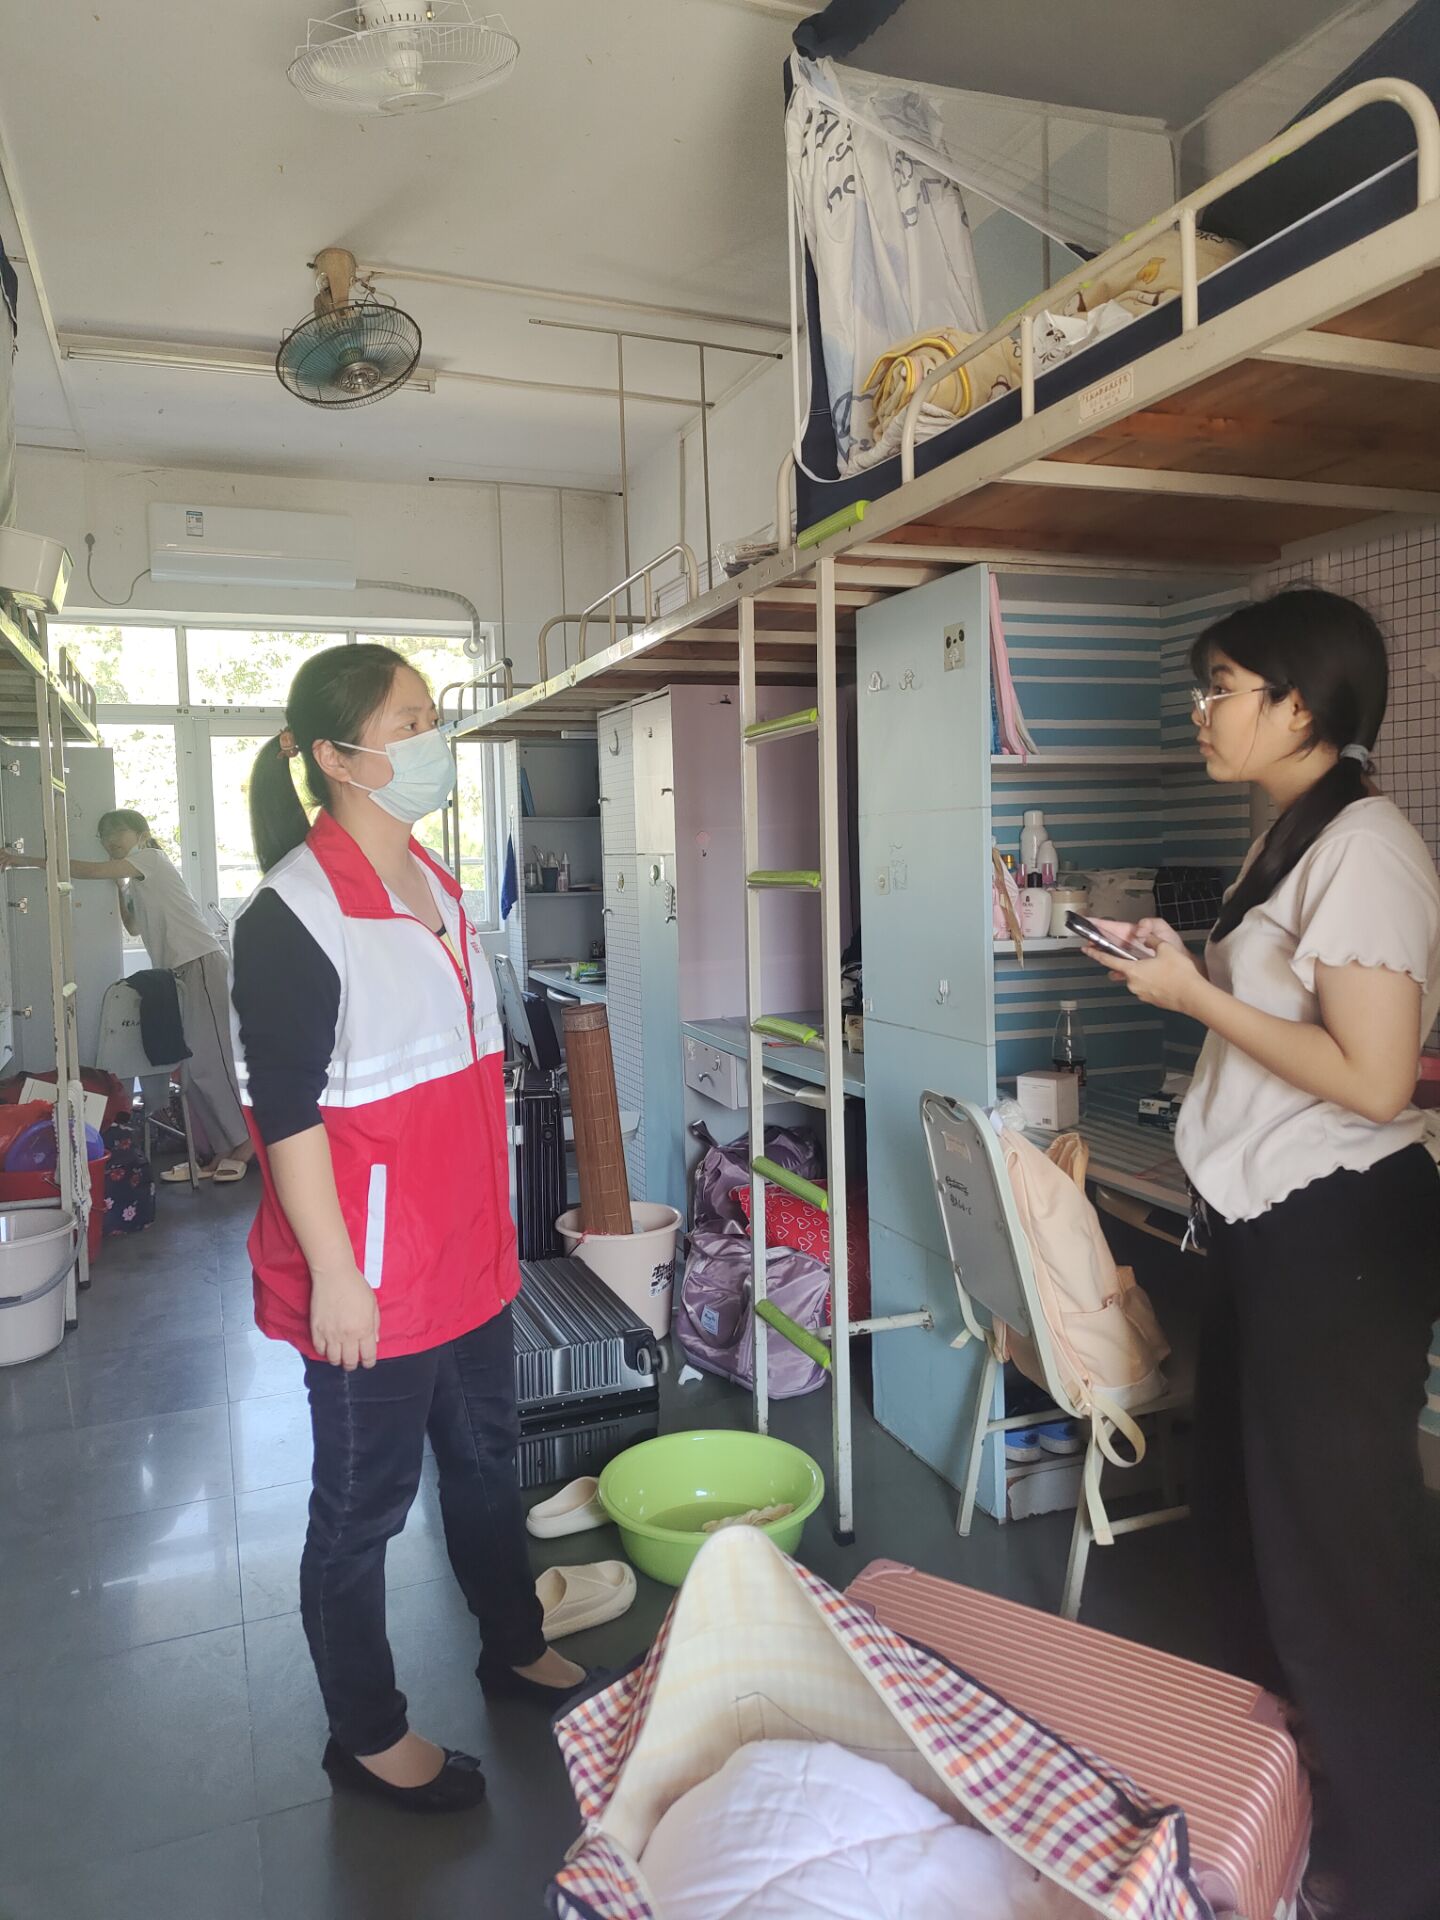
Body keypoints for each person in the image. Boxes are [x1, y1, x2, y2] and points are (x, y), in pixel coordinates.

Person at [1085, 587, 1440, 1920]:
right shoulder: (1294, 836)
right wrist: (1187, 969)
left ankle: (1404, 1867)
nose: (1202, 711)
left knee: (1345, 1564)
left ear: (1300, 706)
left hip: (1338, 1235)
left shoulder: (1368, 849)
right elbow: (1281, 1020)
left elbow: (1375, 1078)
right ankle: (1310, 1824)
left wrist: (1192, 994)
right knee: (1253, 1535)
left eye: (1222, 688)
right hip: (1271, 1223)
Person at [231, 642, 586, 1816]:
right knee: (362, 1512)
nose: (435, 737)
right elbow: (285, 1116)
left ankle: (511, 1643)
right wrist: (337, 1277)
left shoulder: (435, 881)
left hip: (468, 1260)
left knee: (487, 1469)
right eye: (410, 721)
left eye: (433, 715)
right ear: (338, 758)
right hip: (372, 1283)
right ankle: (367, 1735)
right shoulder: (293, 914)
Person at [0, 808, 253, 1184]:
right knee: (193, 1069)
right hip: (180, 972)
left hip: (200, 963)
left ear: (141, 833)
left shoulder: (151, 858)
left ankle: (245, 1144)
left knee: (210, 1064)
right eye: (104, 835)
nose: (109, 840)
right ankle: (220, 1150)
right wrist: (121, 889)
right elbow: (133, 925)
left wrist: (25, 860)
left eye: (117, 831)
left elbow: (86, 871)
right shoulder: (136, 876)